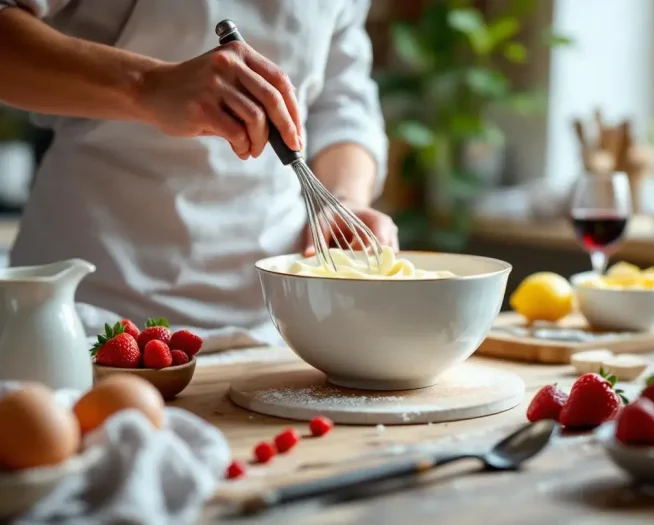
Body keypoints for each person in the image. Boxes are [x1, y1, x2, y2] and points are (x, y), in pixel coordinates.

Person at [0, 0, 397, 344]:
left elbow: (341, 101)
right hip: (93, 307)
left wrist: (344, 200)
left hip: (277, 322)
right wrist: (146, 85)